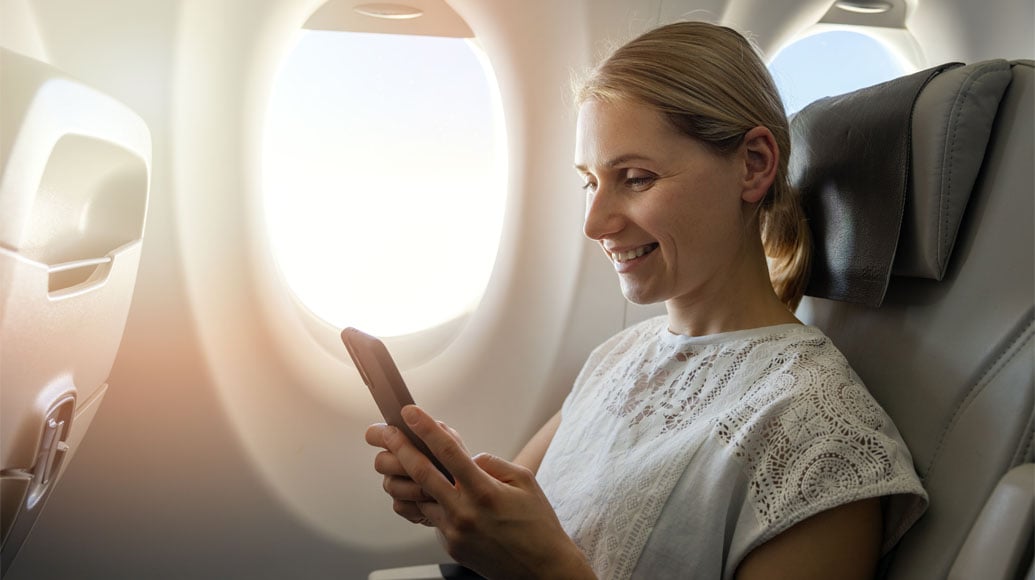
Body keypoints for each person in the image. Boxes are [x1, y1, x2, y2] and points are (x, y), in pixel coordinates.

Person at [364, 21, 927, 580]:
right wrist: (455, 497)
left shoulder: (819, 438)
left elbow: (534, 560)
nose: (594, 224)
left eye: (634, 177)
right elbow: (508, 533)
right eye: (590, 181)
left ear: (754, 164)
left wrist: (545, 570)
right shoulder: (618, 357)